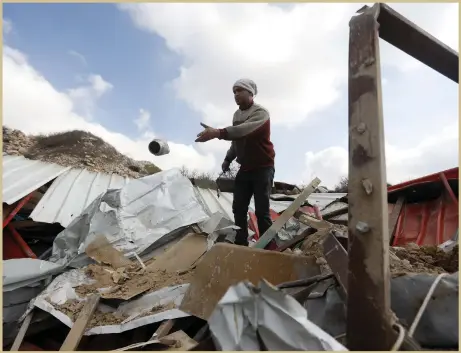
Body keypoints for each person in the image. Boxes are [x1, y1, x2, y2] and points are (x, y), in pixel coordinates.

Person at [195, 79, 275, 246]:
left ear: (250, 93)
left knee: (262, 211)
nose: (236, 94)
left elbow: (244, 131)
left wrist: (217, 132)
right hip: (245, 169)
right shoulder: (237, 115)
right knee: (238, 208)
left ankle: (270, 248)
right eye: (234, 92)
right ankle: (241, 244)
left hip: (263, 168)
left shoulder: (261, 113)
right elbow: (236, 141)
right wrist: (227, 158)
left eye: (239, 90)